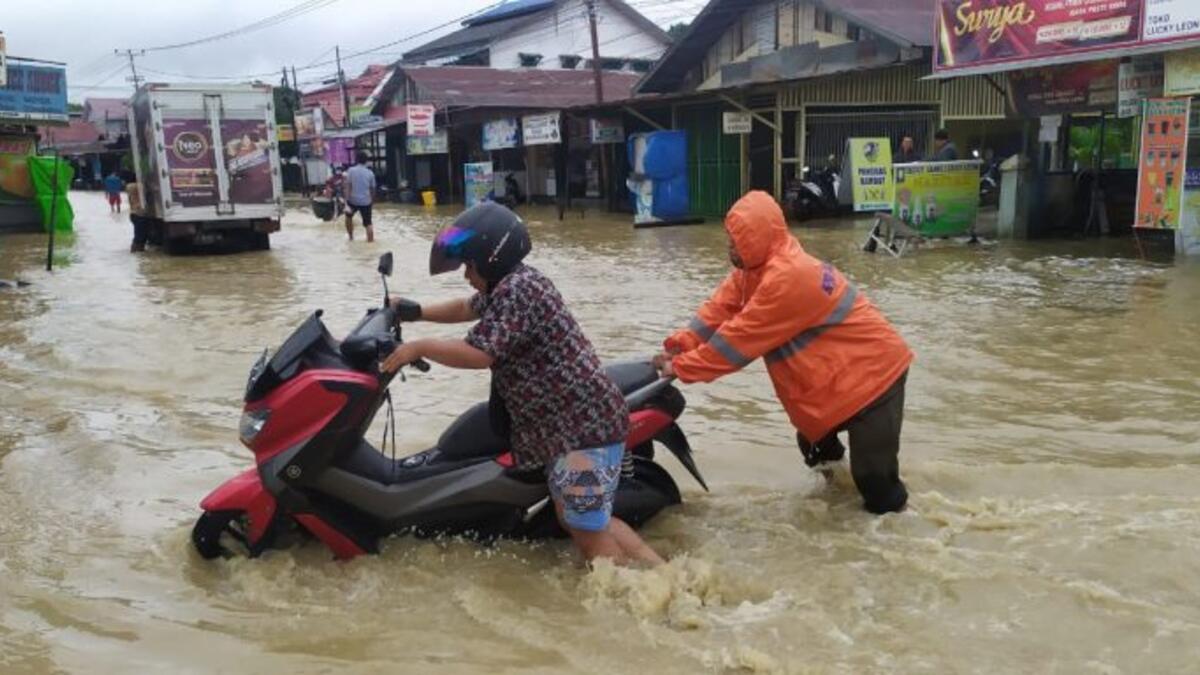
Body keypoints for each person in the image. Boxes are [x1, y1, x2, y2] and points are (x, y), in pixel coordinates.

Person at [380, 202, 664, 566]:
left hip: (581, 429)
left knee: (588, 528)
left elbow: (478, 353)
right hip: (571, 428)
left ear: (492, 258)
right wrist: (415, 311)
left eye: (469, 265)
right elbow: (466, 307)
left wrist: (416, 348)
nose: (466, 274)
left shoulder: (519, 291)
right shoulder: (510, 285)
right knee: (583, 519)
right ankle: (660, 573)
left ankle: (633, 596)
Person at [654, 191, 913, 515]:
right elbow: (716, 313)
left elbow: (735, 345)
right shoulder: (753, 273)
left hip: (877, 379)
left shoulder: (787, 278)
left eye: (736, 240)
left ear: (757, 239)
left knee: (876, 483)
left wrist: (681, 368)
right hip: (841, 382)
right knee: (815, 447)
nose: (729, 248)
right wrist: (679, 346)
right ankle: (839, 513)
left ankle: (901, 534)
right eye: (730, 239)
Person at [344, 152, 376, 242]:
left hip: (353, 200)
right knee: (368, 223)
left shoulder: (351, 171)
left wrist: (347, 201)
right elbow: (373, 189)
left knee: (348, 217)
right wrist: (371, 201)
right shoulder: (370, 173)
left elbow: (348, 186)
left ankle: (351, 237)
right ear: (366, 161)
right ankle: (370, 242)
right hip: (366, 201)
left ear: (356, 160)